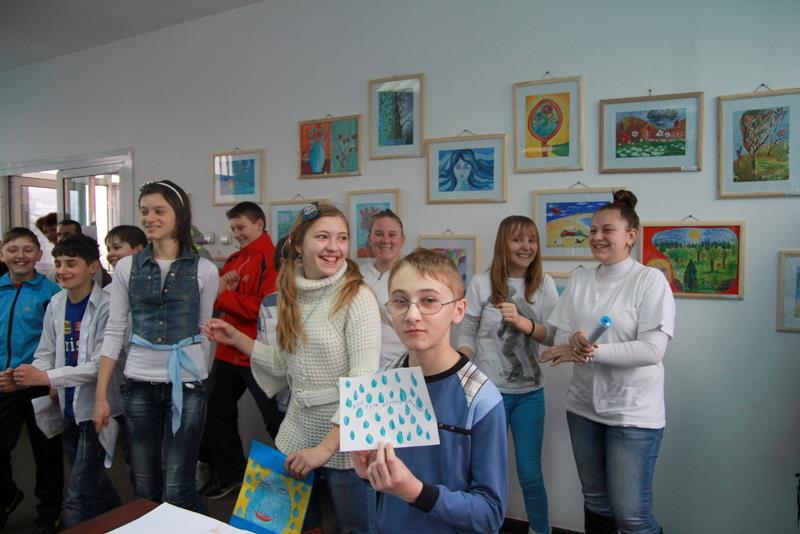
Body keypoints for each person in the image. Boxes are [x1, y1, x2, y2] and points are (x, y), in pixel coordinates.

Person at [206, 202, 380, 534]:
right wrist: (237, 338)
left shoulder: (357, 297)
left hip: (344, 439)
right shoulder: (291, 294)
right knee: (298, 525)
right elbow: (284, 364)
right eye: (323, 237)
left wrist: (325, 449)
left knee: (356, 529)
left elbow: (364, 381)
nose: (334, 247)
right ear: (298, 244)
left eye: (342, 238)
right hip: (298, 429)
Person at [540, 190, 676, 534]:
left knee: (632, 516)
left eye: (607, 230)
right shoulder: (580, 279)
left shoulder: (649, 280)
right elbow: (561, 336)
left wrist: (591, 351)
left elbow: (652, 350)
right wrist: (572, 341)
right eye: (592, 230)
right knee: (596, 503)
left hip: (632, 415)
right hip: (583, 409)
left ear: (630, 236)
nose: (597, 237)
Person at [352, 248, 508, 533]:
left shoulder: (481, 399)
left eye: (429, 301)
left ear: (458, 310)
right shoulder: (380, 384)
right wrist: (370, 474)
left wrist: (416, 492)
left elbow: (490, 514)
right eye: (400, 301)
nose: (412, 314)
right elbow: (382, 495)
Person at [93, 179, 219, 514]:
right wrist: (101, 395)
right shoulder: (127, 267)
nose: (149, 218)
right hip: (138, 383)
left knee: (178, 487)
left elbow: (205, 332)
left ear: (179, 214)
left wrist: (200, 377)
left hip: (187, 384)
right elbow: (115, 330)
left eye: (159, 210)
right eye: (145, 211)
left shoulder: (205, 270)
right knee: (144, 486)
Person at [12, 235, 123, 527]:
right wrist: (30, 373)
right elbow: (45, 353)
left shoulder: (108, 306)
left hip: (95, 408)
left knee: (78, 495)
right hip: (67, 406)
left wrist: (47, 376)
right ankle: (124, 523)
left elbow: (99, 365)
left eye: (71, 264)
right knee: (93, 483)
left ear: (93, 267)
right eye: (59, 263)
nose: (62, 270)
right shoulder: (56, 303)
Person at [456, 215, 558, 534]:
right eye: (517, 239)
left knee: (530, 473)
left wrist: (524, 323)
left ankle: (540, 530)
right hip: (488, 395)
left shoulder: (544, 284)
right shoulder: (481, 283)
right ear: (503, 243)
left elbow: (553, 335)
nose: (526, 246)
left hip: (530, 395)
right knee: (485, 472)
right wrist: (459, 366)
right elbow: (467, 332)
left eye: (532, 240)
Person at [200, 201, 282, 500]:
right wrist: (222, 294)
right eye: (233, 228)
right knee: (215, 411)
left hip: (257, 352)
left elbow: (264, 308)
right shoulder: (235, 259)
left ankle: (304, 477)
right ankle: (231, 475)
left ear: (259, 225)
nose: (236, 234)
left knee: (277, 419)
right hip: (227, 352)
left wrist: (225, 296)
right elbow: (213, 298)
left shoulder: (273, 260)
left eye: (241, 227)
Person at [0, 227, 63, 533]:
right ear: (2, 253)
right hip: (3, 383)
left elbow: (58, 342)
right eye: (13, 249)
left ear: (39, 254)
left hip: (38, 383)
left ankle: (50, 512)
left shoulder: (51, 293)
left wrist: (51, 381)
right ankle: (7, 495)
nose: (20, 256)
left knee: (46, 452)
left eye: (27, 250)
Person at [361, 209, 407, 367]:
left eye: (392, 234)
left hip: (402, 367)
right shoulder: (354, 276)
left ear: (402, 240)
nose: (385, 240)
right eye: (379, 234)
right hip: (361, 367)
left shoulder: (414, 278)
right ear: (370, 238)